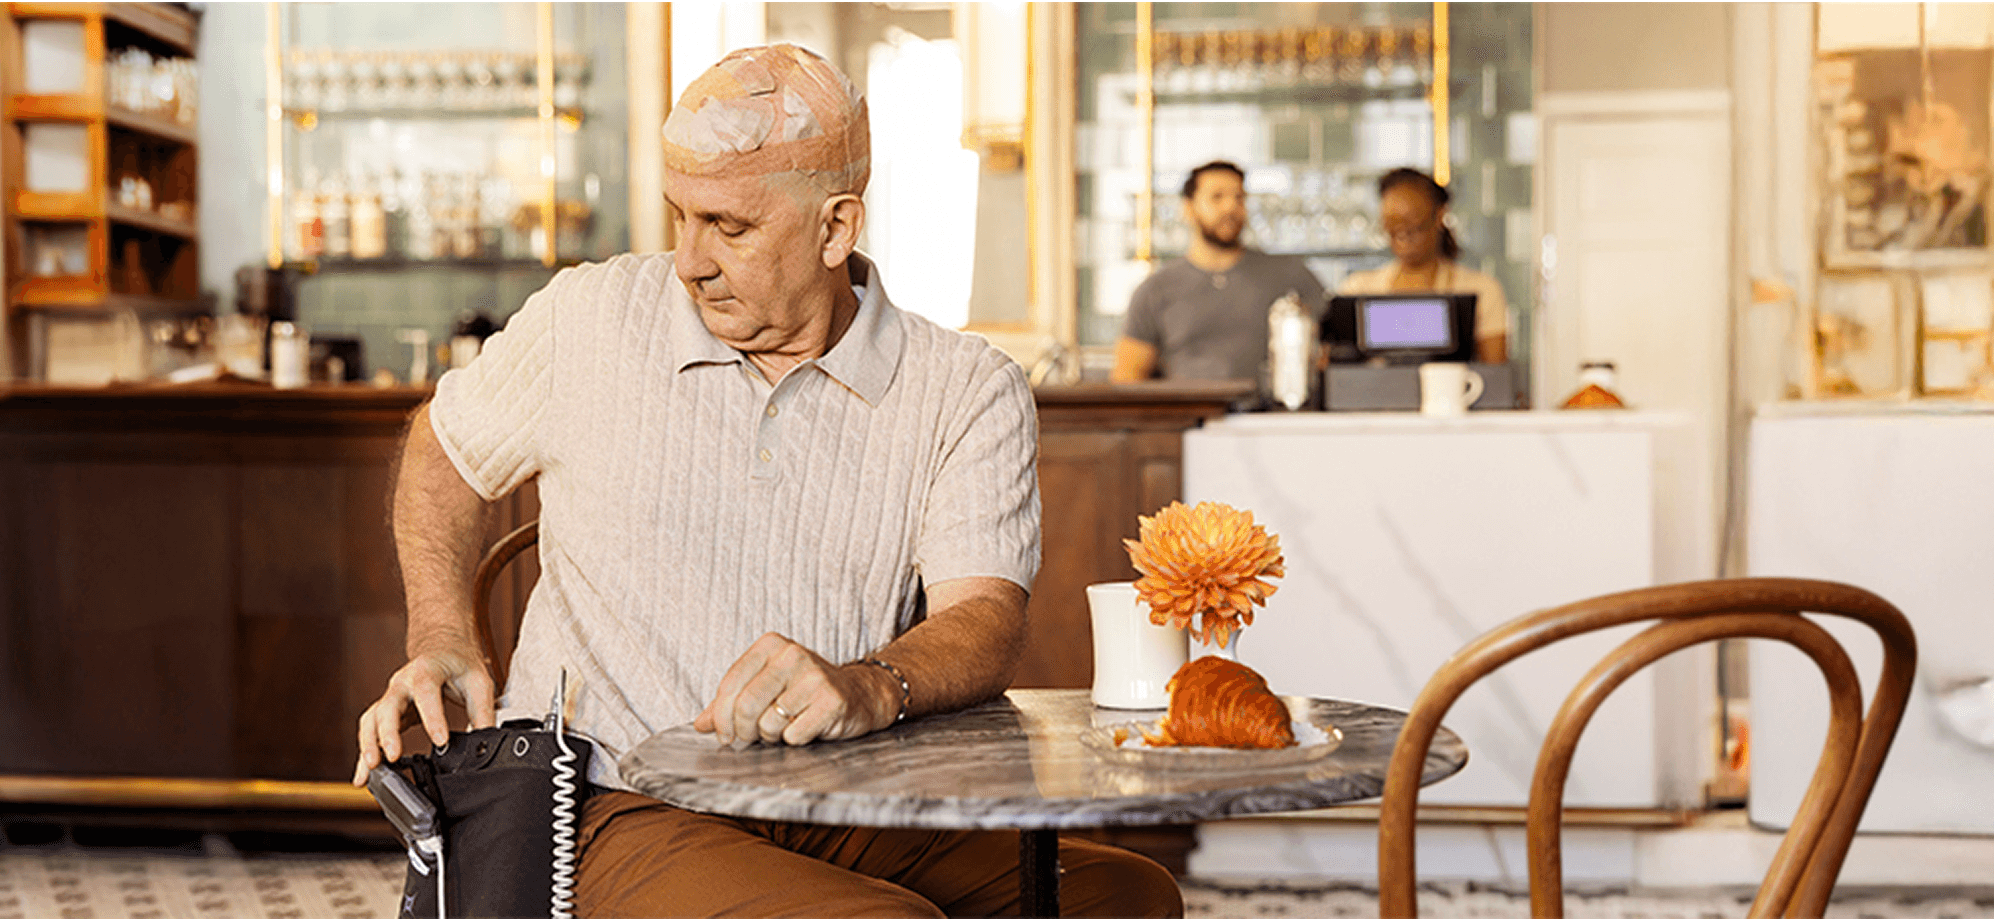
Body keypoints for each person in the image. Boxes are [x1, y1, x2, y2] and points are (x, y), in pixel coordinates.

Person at [350, 44, 1182, 919]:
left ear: (836, 228)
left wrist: (872, 684)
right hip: (613, 798)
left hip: (848, 794)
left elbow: (985, 616)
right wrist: (441, 633)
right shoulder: (589, 316)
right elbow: (442, 448)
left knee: (1126, 896)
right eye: (680, 216)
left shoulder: (966, 386)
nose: (689, 261)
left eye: (730, 227)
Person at [1110, 161, 1330, 383]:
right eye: (1217, 197)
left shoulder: (1289, 275)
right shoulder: (1155, 289)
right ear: (1188, 208)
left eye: (1239, 198)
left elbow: (1337, 347)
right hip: (1188, 414)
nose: (1230, 208)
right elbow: (1128, 375)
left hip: (1272, 414)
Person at [1335, 168, 1511, 365]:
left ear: (1439, 216)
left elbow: (1496, 376)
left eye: (1413, 221)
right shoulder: (1356, 289)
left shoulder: (1482, 290)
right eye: (1392, 223)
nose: (1403, 231)